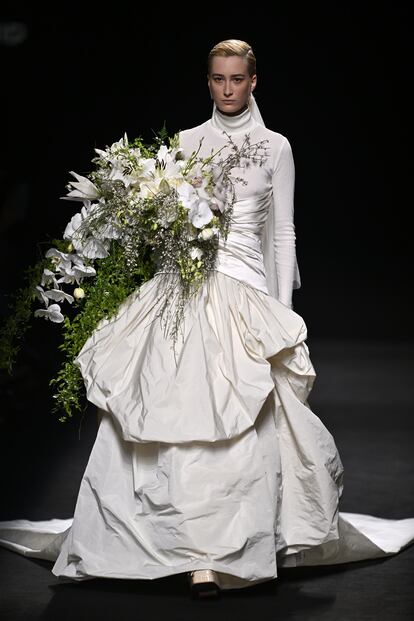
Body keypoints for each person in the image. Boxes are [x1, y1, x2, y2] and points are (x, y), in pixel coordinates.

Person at [1, 39, 414, 601]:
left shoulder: (276, 147)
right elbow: (172, 222)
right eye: (218, 79)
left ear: (253, 81)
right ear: (209, 81)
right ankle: (169, 543)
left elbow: (284, 232)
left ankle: (225, 550)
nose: (227, 89)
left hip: (245, 289)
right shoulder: (187, 142)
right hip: (186, 285)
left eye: (237, 79)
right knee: (172, 406)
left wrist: (284, 315)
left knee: (240, 416)